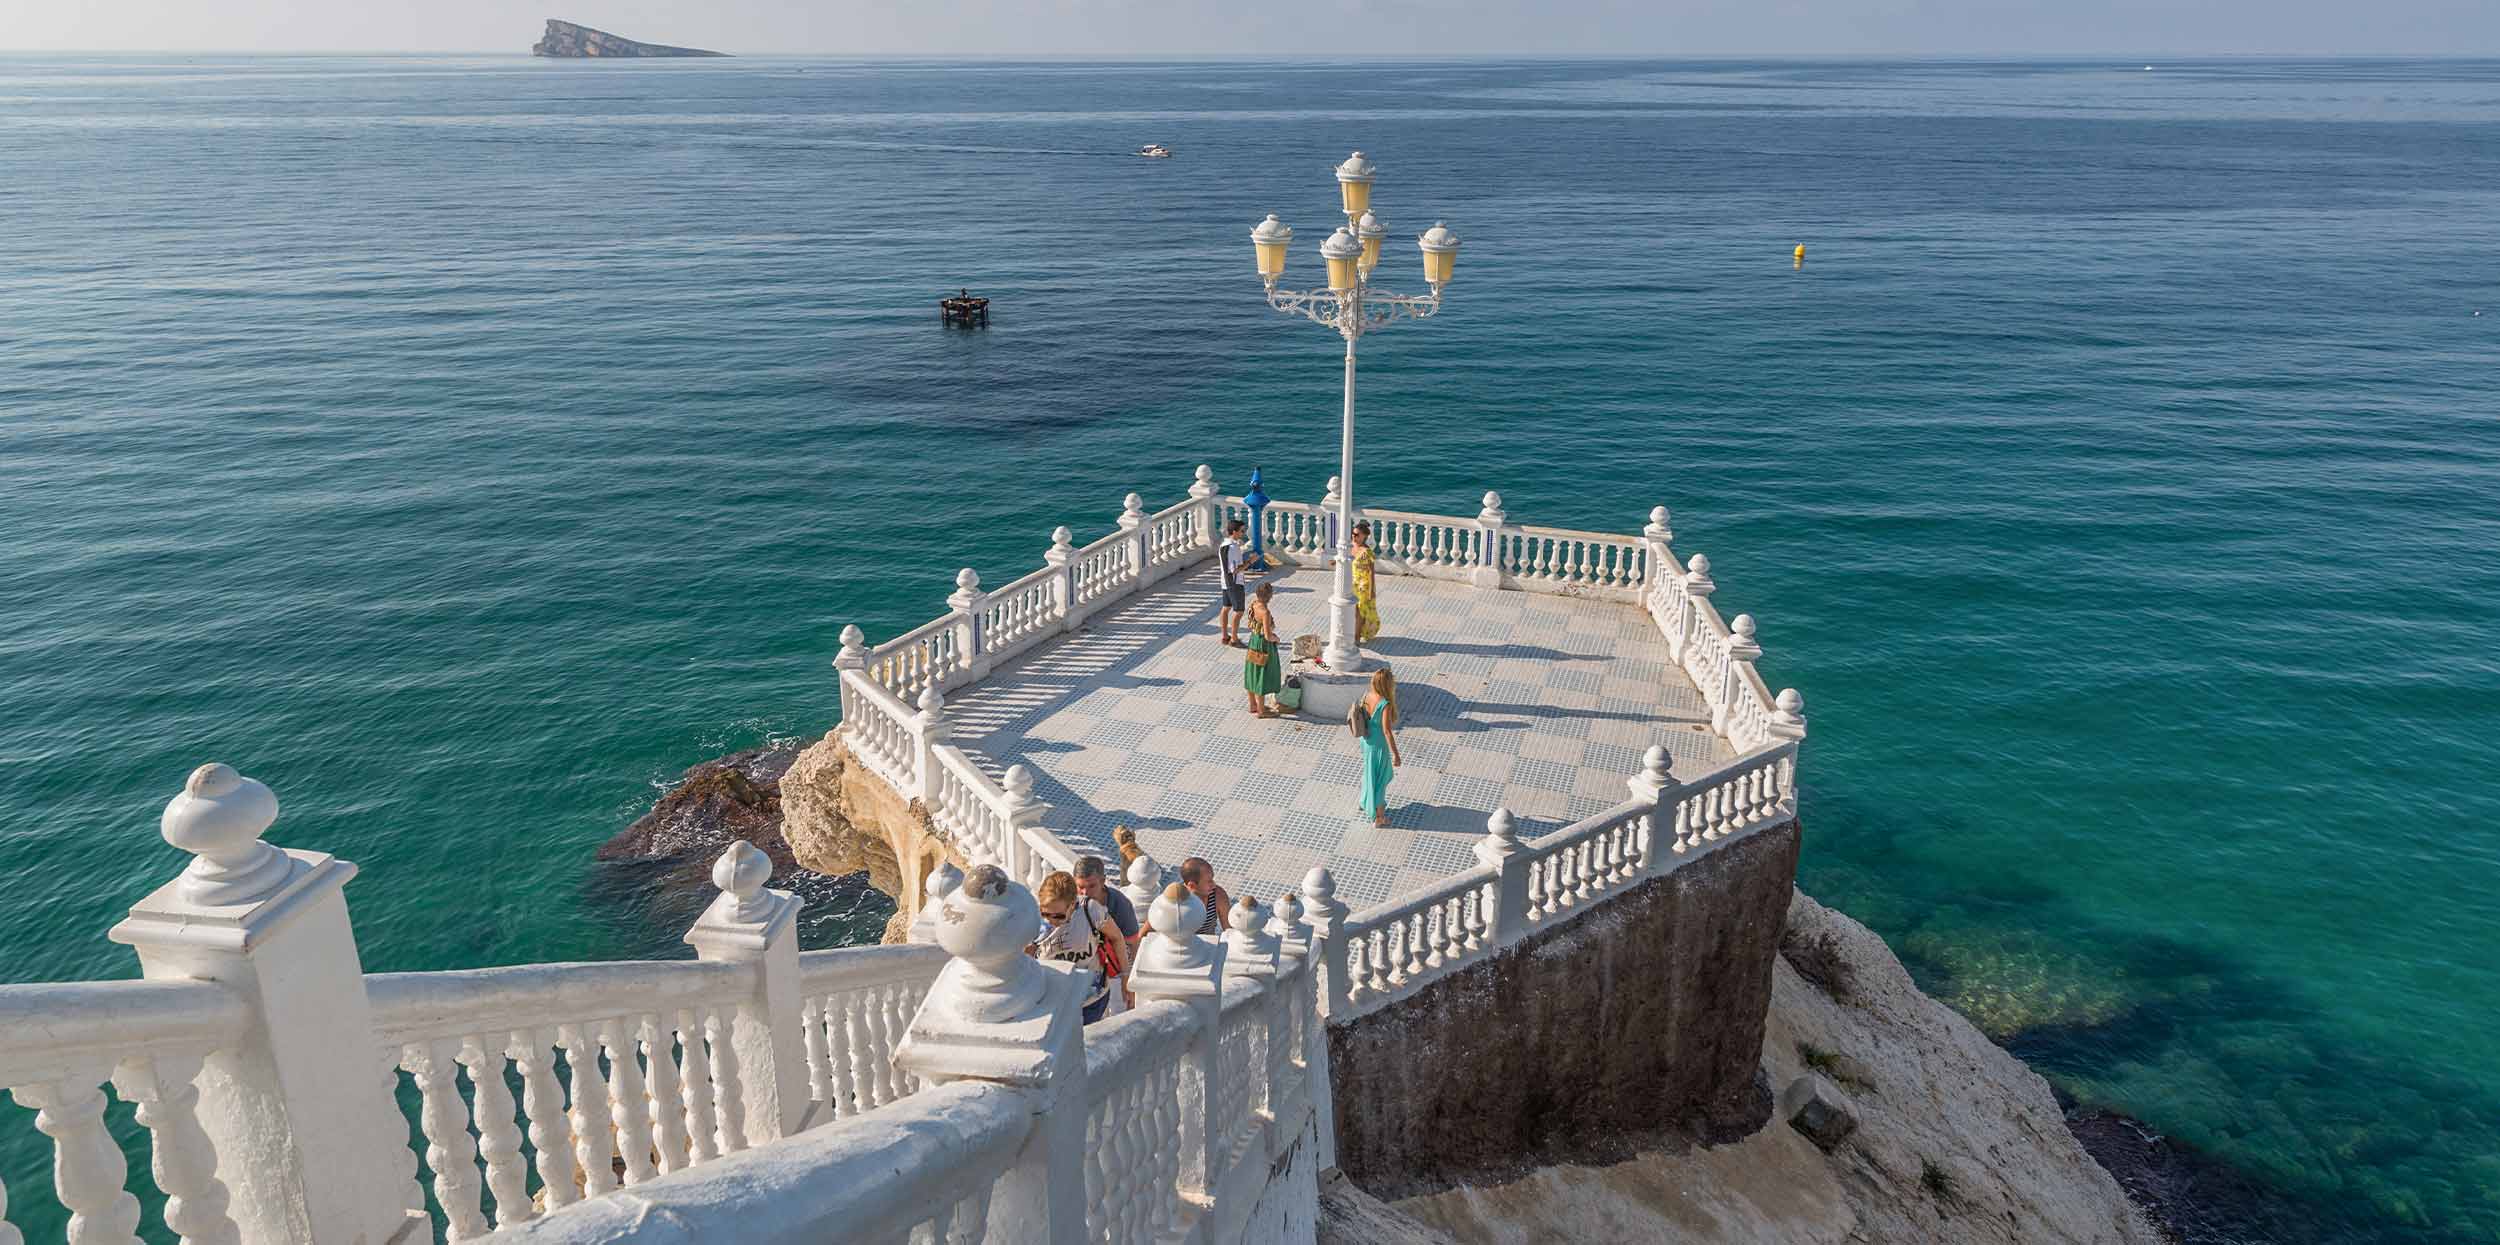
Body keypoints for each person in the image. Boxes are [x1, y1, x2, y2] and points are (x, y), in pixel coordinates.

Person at [1029, 870, 1116, 1024]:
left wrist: (1125, 976)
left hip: (1091, 1002)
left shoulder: (1091, 910)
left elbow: (1117, 937)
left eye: (1058, 916)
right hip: (1053, 1005)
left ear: (1072, 905)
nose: (1050, 921)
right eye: (1045, 914)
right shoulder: (1032, 921)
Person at [1074, 855, 1140, 1011]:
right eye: (1080, 887)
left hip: (1115, 970)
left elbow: (1132, 943)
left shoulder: (1120, 905)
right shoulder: (1073, 901)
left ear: (1103, 881)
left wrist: (1129, 978)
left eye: (1091, 886)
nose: (1085, 893)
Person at [1351, 668, 1402, 826]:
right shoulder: (1384, 704)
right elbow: (1387, 731)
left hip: (1366, 741)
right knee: (1382, 778)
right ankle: (1379, 817)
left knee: (1369, 773)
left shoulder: (1367, 696)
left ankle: (1365, 801)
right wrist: (1395, 754)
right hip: (1379, 745)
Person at [1242, 581, 1283, 719]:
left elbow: (1251, 624)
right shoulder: (1265, 612)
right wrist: (1276, 639)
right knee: (1262, 675)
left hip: (1253, 641)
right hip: (1263, 645)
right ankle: (1261, 710)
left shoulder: (1253, 604)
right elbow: (1268, 635)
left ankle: (1253, 704)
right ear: (1270, 596)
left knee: (1252, 672)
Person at [1217, 519, 1249, 647]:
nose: (1244, 533)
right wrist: (1250, 561)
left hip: (1225, 582)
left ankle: (1225, 636)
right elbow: (1235, 570)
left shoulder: (1223, 545)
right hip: (1235, 583)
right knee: (1239, 611)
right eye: (1242, 531)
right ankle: (1234, 639)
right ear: (1234, 532)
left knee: (1226, 608)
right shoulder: (1234, 548)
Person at [1179, 857, 1232, 935]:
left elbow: (1230, 931)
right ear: (1192, 885)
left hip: (1208, 944)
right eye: (1209, 881)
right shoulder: (1177, 901)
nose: (1214, 884)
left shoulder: (1218, 896)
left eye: (1212, 879)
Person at [1350, 520, 1382, 644]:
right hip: (1353, 583)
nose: (1354, 536)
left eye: (1357, 535)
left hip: (1364, 585)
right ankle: (1356, 633)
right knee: (1354, 610)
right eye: (1353, 533)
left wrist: (1371, 591)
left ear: (1364, 536)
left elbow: (1371, 572)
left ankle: (1356, 637)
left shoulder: (1366, 551)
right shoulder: (1352, 546)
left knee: (1360, 611)